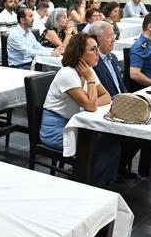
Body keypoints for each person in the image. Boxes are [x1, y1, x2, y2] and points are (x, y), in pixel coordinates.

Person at [41, 33, 118, 184]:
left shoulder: (88, 70)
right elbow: (90, 105)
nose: (98, 53)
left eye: (97, 49)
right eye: (93, 50)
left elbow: (107, 96)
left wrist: (91, 100)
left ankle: (101, 182)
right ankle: (89, 184)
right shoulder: (68, 74)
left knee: (112, 143)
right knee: (101, 147)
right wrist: (90, 83)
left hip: (75, 123)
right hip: (56, 130)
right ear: (79, 53)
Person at [89, 22, 141, 181]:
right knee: (132, 135)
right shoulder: (93, 62)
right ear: (96, 40)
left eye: (114, 36)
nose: (114, 40)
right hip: (106, 110)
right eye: (109, 37)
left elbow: (121, 86)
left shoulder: (112, 58)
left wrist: (129, 100)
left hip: (119, 104)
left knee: (141, 135)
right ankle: (110, 170)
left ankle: (119, 166)